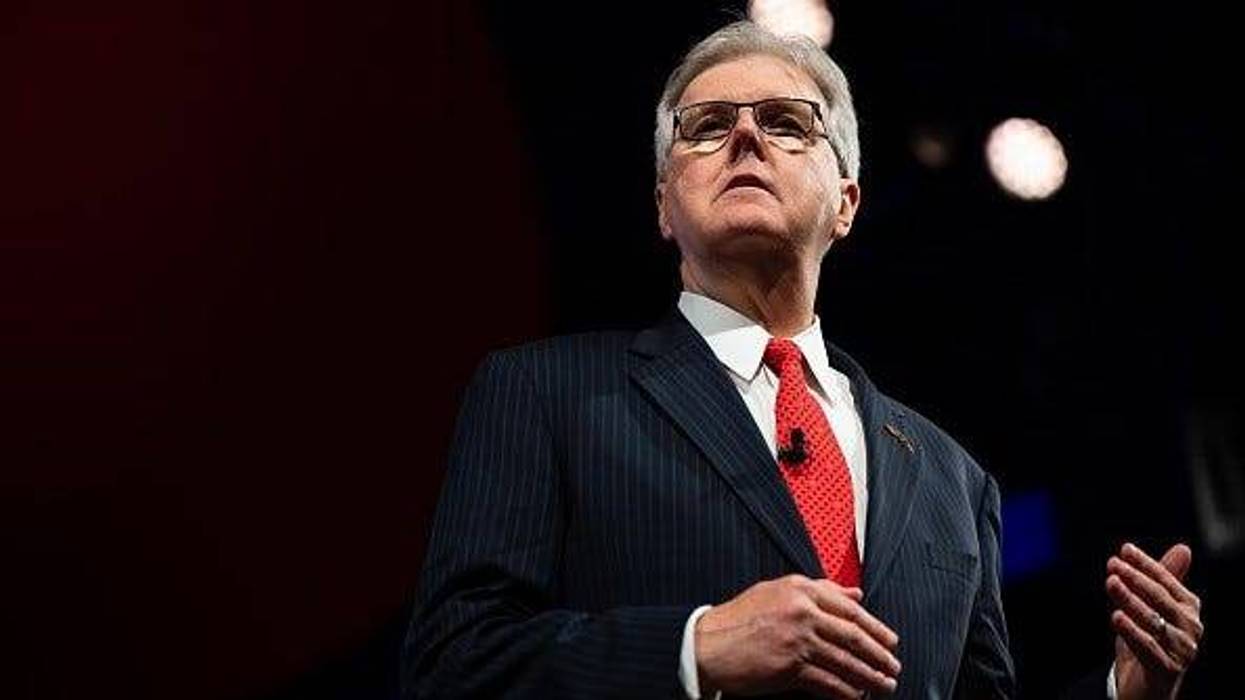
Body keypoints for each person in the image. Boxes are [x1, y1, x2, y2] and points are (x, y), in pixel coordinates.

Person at [402, 21, 1203, 699]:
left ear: (846, 202)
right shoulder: (542, 394)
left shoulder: (955, 480)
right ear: (661, 207)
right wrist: (697, 646)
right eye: (706, 126)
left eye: (786, 122)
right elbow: (452, 660)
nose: (744, 135)